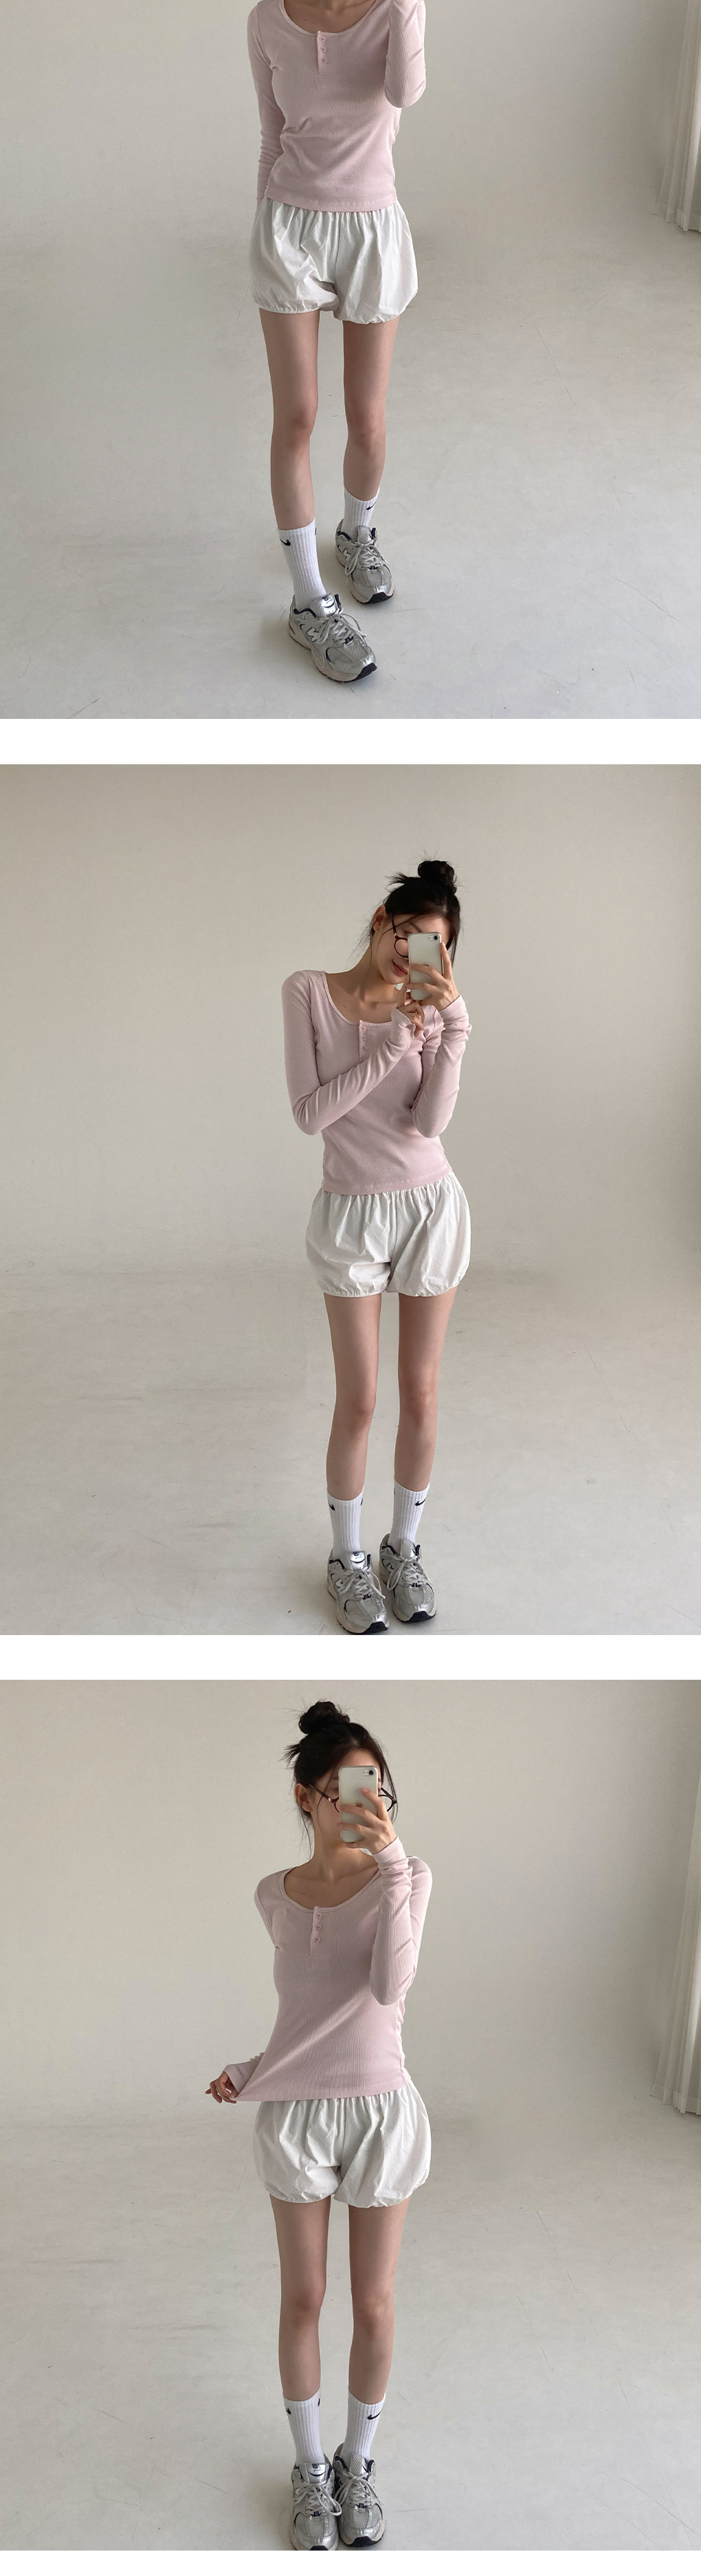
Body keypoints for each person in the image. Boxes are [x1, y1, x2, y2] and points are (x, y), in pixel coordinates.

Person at [208, 1697, 432, 2549]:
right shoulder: (274, 1894)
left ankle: (357, 2463)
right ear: (307, 1796)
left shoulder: (408, 1878)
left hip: (380, 2114)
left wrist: (392, 1865)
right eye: (345, 1787)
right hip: (297, 2115)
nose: (364, 1801)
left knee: (374, 2302)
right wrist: (252, 2070)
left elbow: (387, 1990)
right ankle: (309, 2469)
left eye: (377, 1785)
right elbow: (306, 2021)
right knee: (303, 2296)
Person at [248, 0, 425, 682]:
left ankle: (356, 532)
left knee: (368, 418)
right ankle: (308, 601)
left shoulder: (397, 10)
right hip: (289, 228)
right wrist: (265, 223)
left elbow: (408, 92)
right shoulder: (266, 20)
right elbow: (271, 135)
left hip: (372, 230)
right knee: (298, 416)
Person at [283, 857, 470, 1623]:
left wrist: (453, 1029)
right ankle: (347, 1558)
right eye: (406, 933)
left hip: (429, 1206)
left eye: (433, 944)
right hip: (351, 1213)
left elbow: (429, 1125)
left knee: (420, 1392)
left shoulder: (430, 1011)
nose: (411, 953)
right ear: (379, 922)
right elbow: (309, 1114)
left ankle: (404, 1549)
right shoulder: (308, 992)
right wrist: (392, 1045)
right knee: (358, 1399)